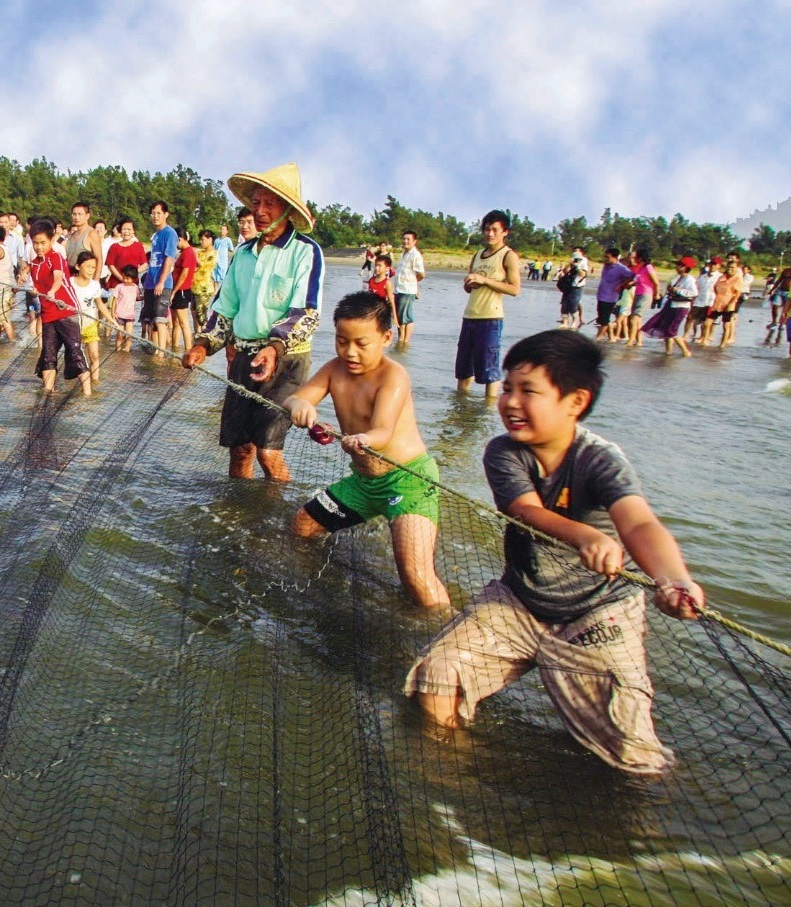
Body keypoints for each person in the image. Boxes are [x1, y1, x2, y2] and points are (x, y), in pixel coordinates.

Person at [405, 330, 705, 774]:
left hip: (597, 614)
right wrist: (583, 536)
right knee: (437, 679)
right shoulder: (504, 452)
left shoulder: (600, 459)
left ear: (575, 401)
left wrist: (673, 579)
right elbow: (523, 509)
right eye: (507, 388)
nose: (510, 401)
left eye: (529, 391)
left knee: (633, 755)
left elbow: (639, 522)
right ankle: (453, 782)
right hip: (519, 602)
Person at [288, 292, 450, 608]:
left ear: (386, 338)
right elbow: (297, 397)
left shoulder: (394, 376)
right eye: (341, 341)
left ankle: (448, 630)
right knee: (302, 526)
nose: (350, 352)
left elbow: (383, 431)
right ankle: (321, 585)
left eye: (362, 344)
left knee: (416, 577)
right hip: (364, 484)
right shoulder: (334, 369)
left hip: (410, 481)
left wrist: (363, 439)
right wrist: (301, 407)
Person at [182, 161, 324, 483]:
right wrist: (203, 345)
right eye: (255, 203)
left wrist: (274, 349)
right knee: (240, 448)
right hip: (244, 357)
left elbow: (307, 313)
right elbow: (225, 309)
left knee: (267, 451)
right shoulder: (243, 253)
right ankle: (239, 515)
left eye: (268, 203)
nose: (259, 210)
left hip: (285, 360)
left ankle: (278, 515)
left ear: (286, 209)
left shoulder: (305, 252)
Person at [456, 210, 523, 400]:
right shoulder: (478, 254)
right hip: (469, 316)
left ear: (505, 232)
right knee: (463, 370)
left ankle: (489, 408)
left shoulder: (508, 255)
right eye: (487, 229)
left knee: (489, 371)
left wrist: (485, 280)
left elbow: (515, 289)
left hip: (490, 318)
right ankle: (461, 407)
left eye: (495, 230)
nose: (490, 234)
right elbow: (469, 289)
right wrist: (470, 283)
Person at [27, 218, 91, 396]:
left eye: (43, 243)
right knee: (47, 354)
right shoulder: (34, 264)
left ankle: (88, 394)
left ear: (51, 240)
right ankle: (48, 391)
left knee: (75, 351)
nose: (39, 247)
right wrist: (35, 290)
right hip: (48, 315)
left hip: (66, 312)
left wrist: (53, 291)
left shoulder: (56, 257)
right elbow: (38, 285)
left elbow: (58, 277)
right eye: (35, 243)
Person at [140, 201, 180, 353]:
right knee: (151, 321)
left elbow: (169, 259)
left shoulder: (169, 233)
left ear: (165, 214)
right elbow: (152, 260)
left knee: (160, 319)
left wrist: (161, 281)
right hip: (150, 282)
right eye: (153, 213)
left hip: (162, 283)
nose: (155, 216)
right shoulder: (156, 235)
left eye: (158, 213)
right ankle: (155, 350)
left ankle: (162, 353)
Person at [640, 256, 698, 357]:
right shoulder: (677, 278)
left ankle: (686, 352)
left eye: (679, 265)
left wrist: (678, 290)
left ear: (684, 267)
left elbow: (694, 293)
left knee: (672, 330)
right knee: (665, 328)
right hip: (671, 305)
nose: (676, 267)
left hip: (681, 307)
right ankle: (668, 351)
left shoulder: (689, 279)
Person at [71, 250, 114, 385]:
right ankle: (77, 380)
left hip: (90, 324)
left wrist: (112, 320)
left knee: (94, 356)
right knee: (75, 357)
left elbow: (100, 305)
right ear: (78, 266)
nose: (91, 270)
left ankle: (95, 382)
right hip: (73, 324)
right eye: (88, 267)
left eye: (93, 267)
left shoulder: (95, 284)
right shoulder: (69, 283)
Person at [593, 248, 633, 341]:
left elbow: (631, 276)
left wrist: (621, 285)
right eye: (605, 257)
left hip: (611, 297)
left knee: (604, 319)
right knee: (600, 317)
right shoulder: (606, 266)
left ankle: (599, 337)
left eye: (608, 257)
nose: (605, 259)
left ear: (615, 257)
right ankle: (610, 337)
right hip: (601, 295)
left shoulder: (621, 268)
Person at [393, 230, 425, 346]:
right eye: (404, 239)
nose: (405, 241)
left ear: (414, 241)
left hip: (407, 289)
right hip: (399, 289)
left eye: (408, 239)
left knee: (405, 316)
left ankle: (405, 340)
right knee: (400, 315)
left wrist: (415, 285)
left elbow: (421, 274)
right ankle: (401, 340)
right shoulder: (403, 254)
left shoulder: (415, 255)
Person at [170, 230, 199, 352]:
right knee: (175, 323)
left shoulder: (188, 252)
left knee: (184, 323)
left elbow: (184, 274)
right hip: (178, 290)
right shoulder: (185, 252)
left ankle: (188, 350)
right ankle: (174, 348)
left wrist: (174, 291)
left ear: (180, 239)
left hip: (181, 290)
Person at [624, 248, 660, 347]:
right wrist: (630, 284)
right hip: (638, 294)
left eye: (636, 257)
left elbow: (656, 282)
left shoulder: (648, 267)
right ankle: (639, 342)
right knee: (637, 319)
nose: (635, 259)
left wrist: (656, 295)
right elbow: (637, 280)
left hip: (646, 295)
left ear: (641, 257)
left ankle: (630, 341)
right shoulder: (641, 268)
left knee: (634, 318)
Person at [365, 252, 400, 335]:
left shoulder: (387, 283)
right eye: (376, 265)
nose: (377, 268)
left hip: (382, 312)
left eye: (380, 266)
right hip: (371, 310)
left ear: (387, 268)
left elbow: (391, 300)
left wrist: (394, 317)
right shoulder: (371, 280)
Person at [558, 248, 588, 330]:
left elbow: (583, 274)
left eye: (577, 251)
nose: (575, 252)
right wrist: (570, 264)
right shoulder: (571, 261)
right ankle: (565, 322)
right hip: (568, 285)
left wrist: (577, 266)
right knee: (564, 304)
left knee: (573, 304)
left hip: (577, 286)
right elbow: (565, 271)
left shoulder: (584, 261)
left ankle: (575, 321)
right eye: (574, 251)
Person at [112, 265, 141, 351]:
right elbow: (114, 300)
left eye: (128, 279)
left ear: (133, 278)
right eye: (124, 278)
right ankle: (118, 349)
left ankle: (127, 349)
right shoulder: (119, 287)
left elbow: (138, 298)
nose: (125, 280)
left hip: (130, 316)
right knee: (119, 335)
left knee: (129, 334)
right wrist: (113, 313)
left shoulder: (136, 288)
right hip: (119, 314)